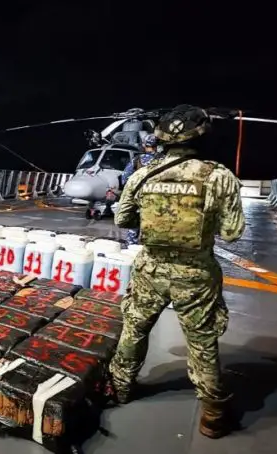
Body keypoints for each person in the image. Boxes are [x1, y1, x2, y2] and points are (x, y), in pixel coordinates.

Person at [109, 105, 245, 439]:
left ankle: (121, 388)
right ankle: (213, 415)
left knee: (135, 328)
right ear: (202, 136)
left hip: (150, 270)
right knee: (201, 342)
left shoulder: (143, 175)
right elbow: (232, 233)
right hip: (196, 274)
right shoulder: (218, 176)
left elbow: (122, 219)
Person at [120, 134, 161, 245]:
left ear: (144, 145)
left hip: (139, 200)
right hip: (158, 200)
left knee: (133, 229)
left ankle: (131, 248)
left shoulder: (137, 160)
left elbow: (125, 179)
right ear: (157, 145)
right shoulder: (164, 160)